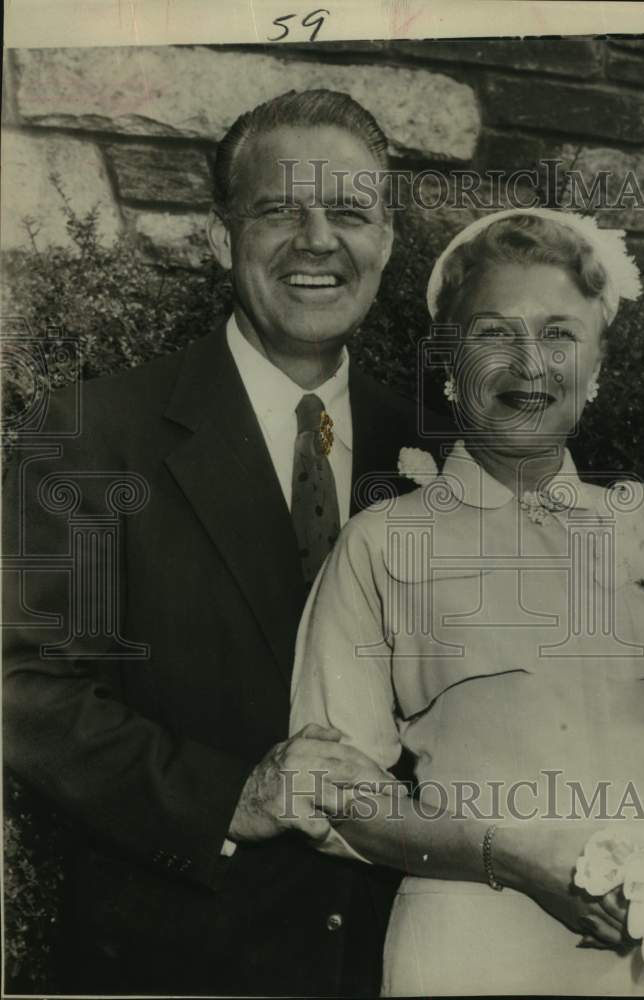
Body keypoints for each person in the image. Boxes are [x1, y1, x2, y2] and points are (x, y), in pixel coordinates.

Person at [2, 89, 447, 996]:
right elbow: (22, 687)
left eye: (351, 213)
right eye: (281, 208)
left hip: (397, 958)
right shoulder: (93, 433)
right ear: (220, 239)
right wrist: (232, 794)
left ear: (387, 246)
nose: (318, 239)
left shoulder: (441, 455)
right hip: (176, 958)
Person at [290, 208, 644, 995]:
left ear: (596, 364)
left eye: (558, 334)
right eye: (493, 334)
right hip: (473, 948)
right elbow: (337, 791)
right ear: (449, 360)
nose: (528, 363)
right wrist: (508, 856)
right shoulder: (381, 542)